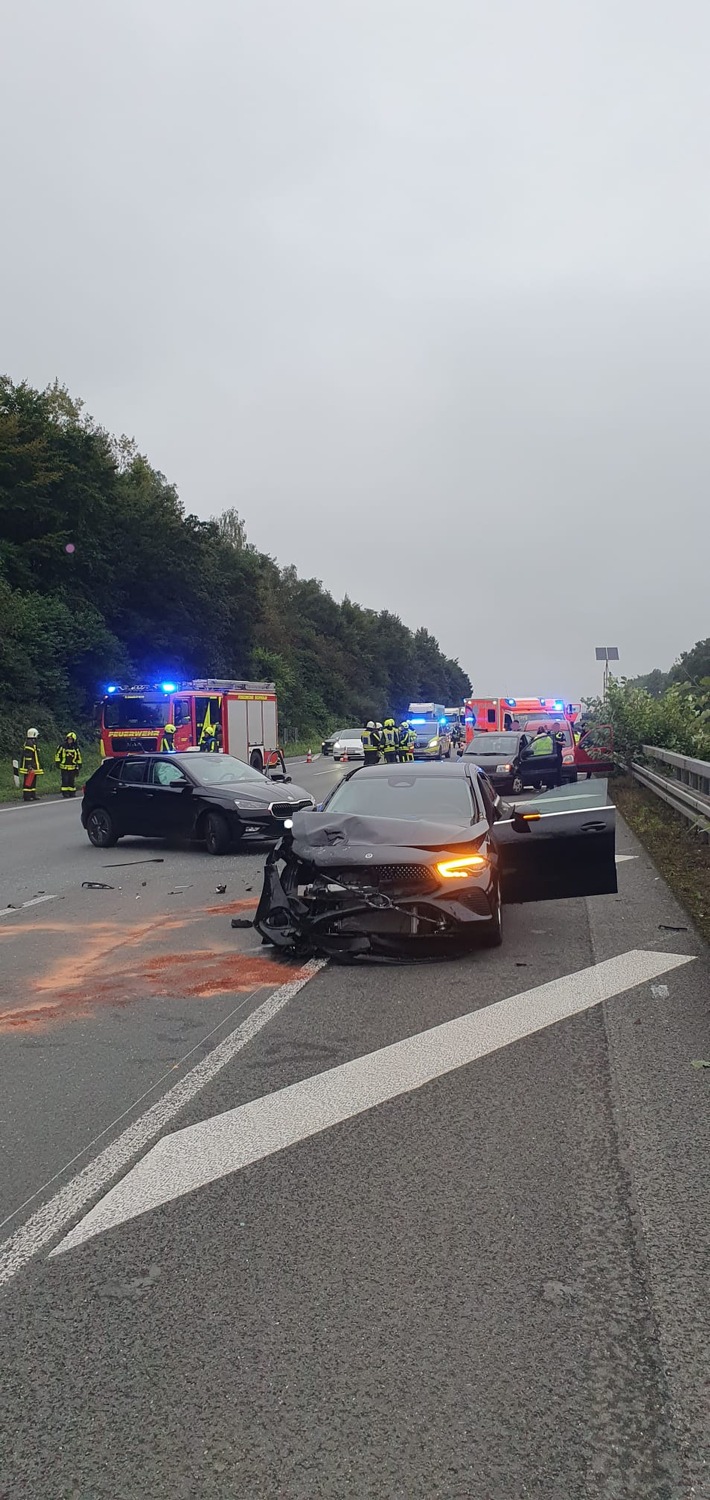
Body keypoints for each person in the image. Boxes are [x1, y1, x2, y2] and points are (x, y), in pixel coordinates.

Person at [54, 731, 82, 797]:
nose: (70, 740)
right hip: (64, 767)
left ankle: (72, 792)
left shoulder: (76, 748)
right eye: (69, 739)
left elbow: (78, 756)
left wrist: (79, 764)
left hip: (73, 767)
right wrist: (57, 762)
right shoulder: (62, 746)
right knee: (65, 780)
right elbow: (57, 754)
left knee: (71, 781)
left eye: (71, 739)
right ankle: (65, 793)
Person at [19, 728, 43, 802]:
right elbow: (28, 756)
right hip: (29, 766)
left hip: (32, 765)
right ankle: (27, 796)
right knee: (28, 781)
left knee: (32, 780)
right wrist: (29, 766)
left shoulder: (32, 742)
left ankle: (32, 794)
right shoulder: (29, 743)